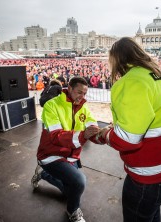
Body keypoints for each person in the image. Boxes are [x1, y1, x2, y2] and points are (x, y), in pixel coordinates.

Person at [98, 37, 161, 222]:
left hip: (149, 176)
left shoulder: (133, 82)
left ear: (117, 59)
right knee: (151, 215)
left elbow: (127, 140)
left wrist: (105, 134)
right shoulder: (154, 74)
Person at [31, 77, 105, 222]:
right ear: (69, 88)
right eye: (79, 92)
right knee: (79, 182)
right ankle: (73, 212)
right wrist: (84, 135)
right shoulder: (51, 106)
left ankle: (43, 174)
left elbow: (92, 128)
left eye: (84, 94)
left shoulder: (83, 107)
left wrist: (104, 134)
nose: (82, 97)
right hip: (51, 155)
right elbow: (56, 137)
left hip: (71, 156)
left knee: (70, 191)